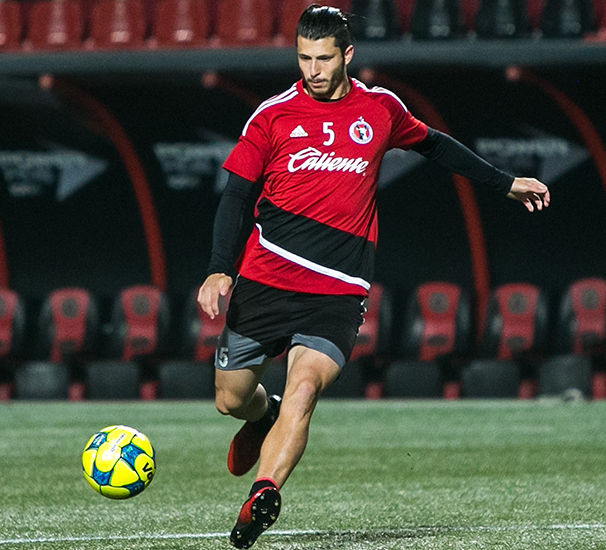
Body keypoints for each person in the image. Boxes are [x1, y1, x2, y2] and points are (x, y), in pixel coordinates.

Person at [196, 5, 551, 549]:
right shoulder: (271, 116)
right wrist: (220, 268)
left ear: (347, 56)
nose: (312, 70)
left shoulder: (381, 109)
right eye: (303, 58)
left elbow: (435, 145)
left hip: (338, 289)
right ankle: (260, 417)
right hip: (264, 280)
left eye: (323, 59)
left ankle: (264, 493)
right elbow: (237, 196)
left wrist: (502, 183)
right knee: (230, 398)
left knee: (306, 385)